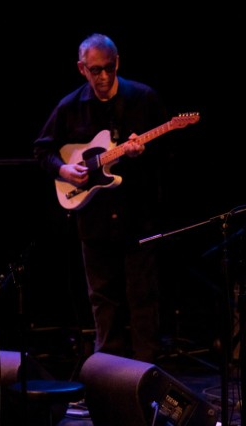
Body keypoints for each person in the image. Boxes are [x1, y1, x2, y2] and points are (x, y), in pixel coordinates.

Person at [33, 33, 169, 363]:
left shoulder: (143, 98)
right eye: (96, 70)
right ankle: (107, 385)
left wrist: (142, 153)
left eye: (109, 68)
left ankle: (146, 383)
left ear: (118, 62)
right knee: (103, 305)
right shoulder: (70, 107)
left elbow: (169, 154)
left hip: (137, 218)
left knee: (144, 303)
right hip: (93, 222)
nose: (104, 77)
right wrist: (64, 171)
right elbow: (42, 150)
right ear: (82, 69)